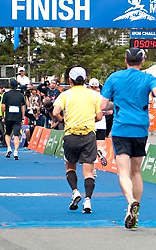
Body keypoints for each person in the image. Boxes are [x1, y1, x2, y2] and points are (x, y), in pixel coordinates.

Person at [99, 48, 156, 230]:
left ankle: (130, 201)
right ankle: (136, 209)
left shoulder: (114, 78)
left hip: (121, 128)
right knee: (136, 172)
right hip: (140, 129)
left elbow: (103, 105)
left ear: (125, 60)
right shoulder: (148, 78)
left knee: (122, 172)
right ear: (142, 61)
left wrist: (119, 103)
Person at [53, 67, 102, 213]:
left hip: (71, 135)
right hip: (88, 135)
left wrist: (64, 120)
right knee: (88, 172)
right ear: (85, 79)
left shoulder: (65, 95)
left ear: (70, 80)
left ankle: (75, 191)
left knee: (70, 167)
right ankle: (88, 201)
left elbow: (55, 112)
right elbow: (99, 116)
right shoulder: (94, 95)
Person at [1, 79, 26, 160]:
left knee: (7, 133)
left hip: (8, 117)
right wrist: (22, 117)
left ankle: (8, 148)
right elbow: (23, 107)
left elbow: (3, 106)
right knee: (16, 135)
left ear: (9, 85)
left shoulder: (6, 94)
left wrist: (3, 115)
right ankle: (16, 151)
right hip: (17, 117)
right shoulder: (21, 95)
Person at [88, 78, 109, 166]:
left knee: (90, 147)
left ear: (89, 87)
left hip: (91, 124)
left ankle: (93, 168)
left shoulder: (87, 97)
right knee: (100, 145)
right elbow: (109, 109)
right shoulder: (102, 97)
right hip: (101, 124)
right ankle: (101, 154)